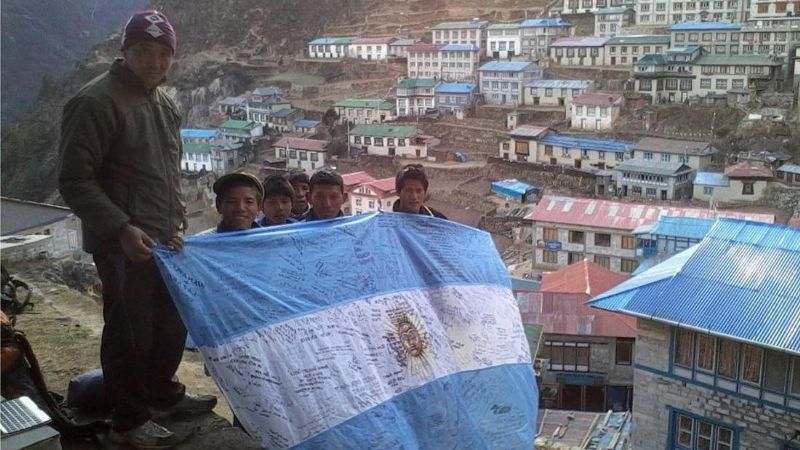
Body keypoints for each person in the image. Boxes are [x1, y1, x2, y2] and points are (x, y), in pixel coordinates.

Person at [57, 10, 215, 449]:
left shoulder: (163, 102)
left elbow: (166, 174)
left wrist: (176, 224)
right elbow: (74, 180)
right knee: (130, 332)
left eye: (163, 53)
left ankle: (163, 396)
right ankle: (128, 419)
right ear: (125, 52)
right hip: (122, 244)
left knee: (169, 325)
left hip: (164, 240)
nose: (154, 61)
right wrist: (122, 229)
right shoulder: (96, 101)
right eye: (143, 51)